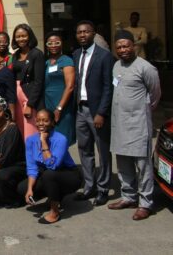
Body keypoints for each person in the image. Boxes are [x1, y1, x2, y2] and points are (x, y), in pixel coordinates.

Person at [108, 30, 161, 220]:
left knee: (142, 165)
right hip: (119, 124)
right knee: (123, 162)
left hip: (139, 125)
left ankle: (145, 203)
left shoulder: (146, 68)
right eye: (119, 47)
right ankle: (128, 196)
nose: (123, 50)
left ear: (134, 46)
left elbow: (155, 96)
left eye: (126, 46)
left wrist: (142, 111)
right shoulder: (116, 66)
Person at [73, 20, 113, 206]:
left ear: (93, 33)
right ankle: (90, 186)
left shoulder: (104, 56)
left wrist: (102, 113)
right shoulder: (75, 55)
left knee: (102, 151)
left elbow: (108, 87)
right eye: (79, 32)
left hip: (96, 111)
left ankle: (103, 188)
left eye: (86, 32)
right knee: (84, 149)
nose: (82, 35)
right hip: (80, 110)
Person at [17, 110, 80, 224]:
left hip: (68, 174)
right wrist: (30, 189)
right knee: (23, 188)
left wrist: (44, 142)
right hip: (48, 174)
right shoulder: (30, 140)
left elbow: (53, 165)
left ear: (52, 122)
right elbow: (32, 167)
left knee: (49, 175)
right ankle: (54, 197)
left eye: (45, 120)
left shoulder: (61, 139)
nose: (41, 123)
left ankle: (54, 211)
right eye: (39, 120)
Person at [11, 24, 45, 140]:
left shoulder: (37, 54)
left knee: (31, 132)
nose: (21, 39)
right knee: (21, 130)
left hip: (29, 98)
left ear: (29, 36)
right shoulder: (15, 55)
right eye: (18, 36)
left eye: (24, 36)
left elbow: (39, 81)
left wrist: (30, 104)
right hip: (17, 98)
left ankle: (34, 157)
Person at [44, 32, 76, 146]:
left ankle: (60, 163)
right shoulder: (46, 62)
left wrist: (59, 108)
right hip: (48, 105)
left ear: (62, 44)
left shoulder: (66, 60)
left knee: (62, 139)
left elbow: (70, 86)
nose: (53, 45)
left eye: (57, 42)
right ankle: (57, 163)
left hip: (62, 106)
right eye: (50, 43)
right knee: (51, 138)